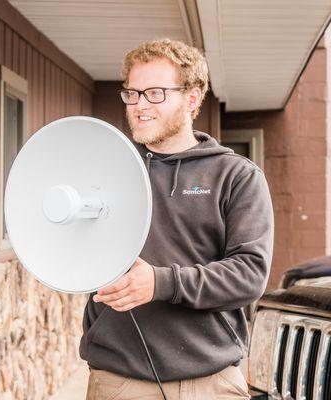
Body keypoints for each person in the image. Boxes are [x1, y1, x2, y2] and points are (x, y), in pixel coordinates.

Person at [79, 38, 274, 400]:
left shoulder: (236, 176)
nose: (139, 106)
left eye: (154, 93)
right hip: (119, 381)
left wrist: (160, 283)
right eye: (132, 94)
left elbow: (250, 274)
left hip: (211, 382)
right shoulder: (106, 169)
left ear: (193, 98)